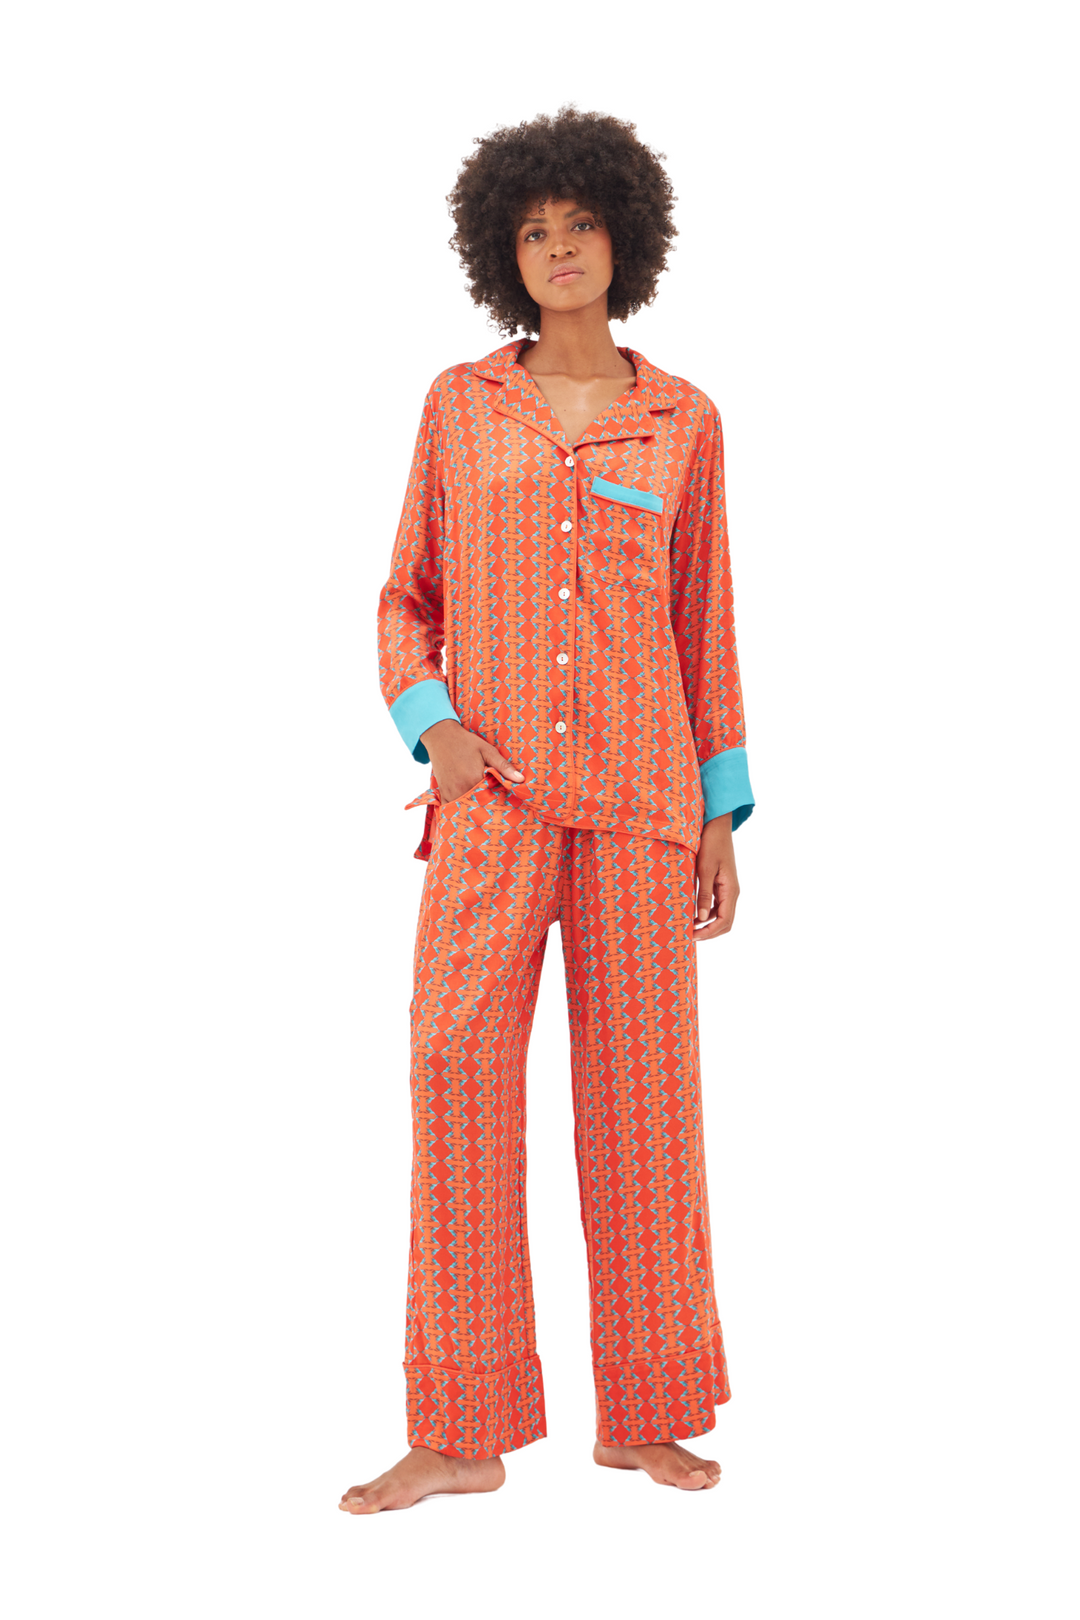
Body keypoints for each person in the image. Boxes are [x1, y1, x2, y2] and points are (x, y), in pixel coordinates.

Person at [340, 106, 755, 1515]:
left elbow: (705, 626)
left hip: (641, 808)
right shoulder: (462, 405)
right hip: (494, 806)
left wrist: (720, 815)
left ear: (624, 238)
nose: (561, 247)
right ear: (501, 252)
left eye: (582, 224)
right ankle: (460, 1429)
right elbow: (404, 596)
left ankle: (647, 1413)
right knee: (455, 1080)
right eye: (535, 230)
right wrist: (436, 727)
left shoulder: (683, 419)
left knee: (643, 1113)